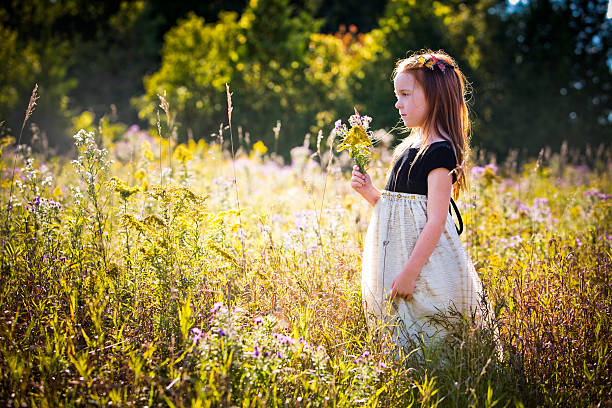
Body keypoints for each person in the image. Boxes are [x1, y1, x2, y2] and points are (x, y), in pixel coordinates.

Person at [351, 50, 489, 352]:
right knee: (399, 329)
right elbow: (400, 210)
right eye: (396, 94)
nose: (397, 103)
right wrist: (372, 194)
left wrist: (410, 273)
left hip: (422, 264)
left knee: (428, 328)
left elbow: (437, 220)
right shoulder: (408, 147)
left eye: (405, 94)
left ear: (434, 97)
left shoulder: (440, 152)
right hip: (400, 256)